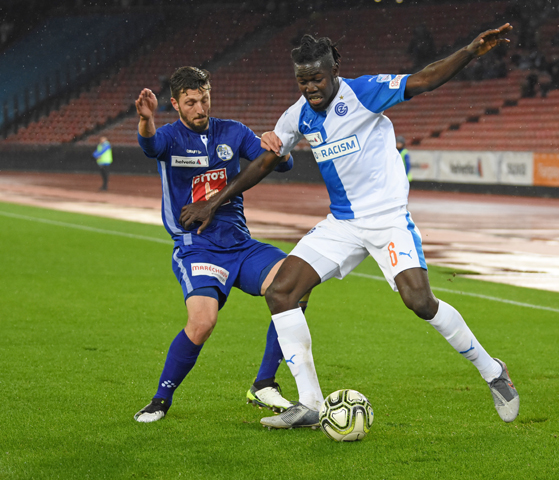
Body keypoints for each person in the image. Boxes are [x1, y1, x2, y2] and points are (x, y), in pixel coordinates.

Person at [180, 24, 519, 430]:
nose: (310, 88)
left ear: (334, 70)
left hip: (388, 219)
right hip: (342, 224)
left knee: (419, 302)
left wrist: (469, 51)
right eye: (303, 81)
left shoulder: (364, 92)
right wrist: (214, 202)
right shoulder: (297, 115)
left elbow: (424, 79)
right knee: (282, 290)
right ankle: (309, 403)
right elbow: (266, 162)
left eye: (317, 78)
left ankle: (493, 371)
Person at [133, 66, 312, 423]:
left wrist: (277, 144)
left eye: (204, 99)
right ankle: (160, 400)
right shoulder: (170, 137)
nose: (200, 108)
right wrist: (146, 120)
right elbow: (150, 145)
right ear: (175, 104)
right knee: (203, 322)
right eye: (190, 102)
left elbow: (281, 164)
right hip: (197, 247)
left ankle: (264, 383)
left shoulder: (232, 132)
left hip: (240, 246)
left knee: (298, 282)